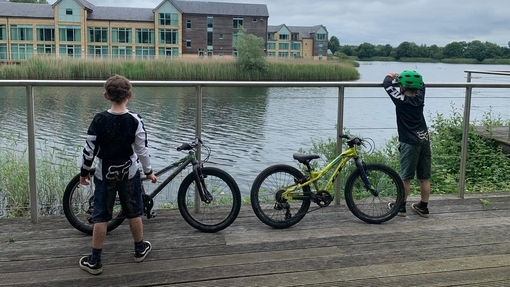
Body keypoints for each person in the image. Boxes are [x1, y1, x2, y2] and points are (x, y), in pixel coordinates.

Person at [78, 74, 157, 275]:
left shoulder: (99, 119)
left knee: (101, 216)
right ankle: (139, 249)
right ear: (129, 95)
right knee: (134, 211)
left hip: (104, 174)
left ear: (106, 96)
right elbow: (142, 150)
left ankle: (95, 260)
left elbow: (89, 150)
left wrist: (84, 172)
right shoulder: (135, 120)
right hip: (129, 173)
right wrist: (148, 172)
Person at [383, 70, 431, 218]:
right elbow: (423, 85)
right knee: (424, 177)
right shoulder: (420, 98)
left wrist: (392, 76)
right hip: (424, 141)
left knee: (406, 177)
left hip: (409, 143)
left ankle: (401, 207)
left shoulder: (400, 99)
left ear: (402, 87)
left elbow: (386, 84)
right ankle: (423, 207)